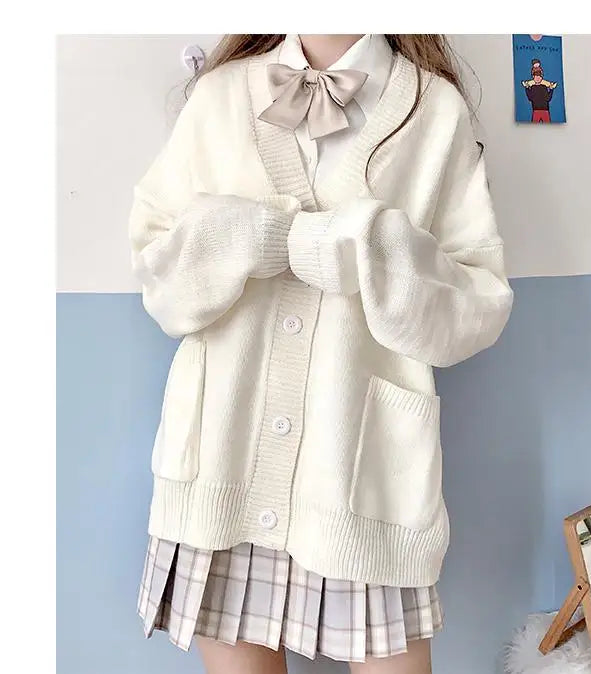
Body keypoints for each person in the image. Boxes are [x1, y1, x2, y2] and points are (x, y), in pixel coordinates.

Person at [130, 33, 513, 674]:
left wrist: (373, 250)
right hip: (224, 475)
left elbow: (478, 305)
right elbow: (157, 277)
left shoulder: (431, 109)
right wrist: (241, 237)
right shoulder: (220, 98)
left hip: (364, 487)